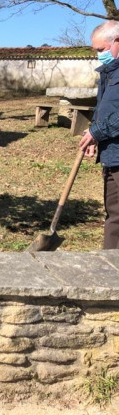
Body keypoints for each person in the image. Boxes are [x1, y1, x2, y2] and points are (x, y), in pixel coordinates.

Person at [79, 19, 119, 249]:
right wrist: (94, 132)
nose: (98, 56)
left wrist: (98, 131)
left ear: (117, 42)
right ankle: (110, 267)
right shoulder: (108, 73)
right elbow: (104, 107)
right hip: (112, 154)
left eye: (101, 50)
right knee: (113, 214)